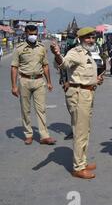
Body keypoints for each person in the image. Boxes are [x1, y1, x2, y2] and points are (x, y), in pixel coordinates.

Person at [50, 27, 104, 179]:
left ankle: (82, 161)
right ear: (80, 39)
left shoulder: (87, 54)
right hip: (79, 95)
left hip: (87, 93)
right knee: (80, 131)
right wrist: (57, 54)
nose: (91, 40)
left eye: (93, 37)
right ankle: (78, 168)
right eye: (87, 38)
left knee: (85, 130)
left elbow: (83, 74)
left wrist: (96, 80)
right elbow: (64, 64)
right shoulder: (75, 52)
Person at [11, 25, 55, 146]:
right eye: (30, 34)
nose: (33, 36)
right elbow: (14, 67)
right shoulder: (19, 48)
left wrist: (49, 82)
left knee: (41, 109)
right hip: (24, 80)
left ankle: (44, 136)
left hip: (39, 81)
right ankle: (28, 134)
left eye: (35, 33)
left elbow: (45, 65)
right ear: (25, 34)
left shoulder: (41, 48)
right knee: (26, 110)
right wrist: (14, 86)